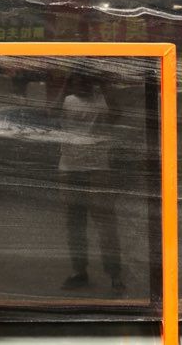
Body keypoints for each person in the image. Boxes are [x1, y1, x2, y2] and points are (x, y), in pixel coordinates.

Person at [58, 75, 125, 294]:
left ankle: (114, 273)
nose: (82, 85)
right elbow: (48, 113)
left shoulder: (102, 100)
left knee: (105, 224)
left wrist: (105, 86)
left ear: (92, 82)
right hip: (71, 169)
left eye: (85, 81)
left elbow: (117, 113)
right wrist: (65, 85)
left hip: (97, 169)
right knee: (74, 223)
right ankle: (80, 271)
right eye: (78, 82)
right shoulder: (67, 101)